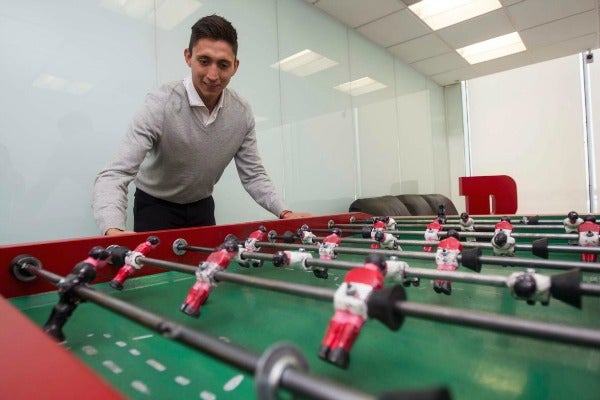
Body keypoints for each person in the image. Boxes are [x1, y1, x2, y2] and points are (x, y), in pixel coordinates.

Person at [93, 15, 309, 236]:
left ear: (235, 66)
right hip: (155, 206)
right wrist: (113, 230)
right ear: (189, 57)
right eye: (204, 61)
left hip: (201, 206)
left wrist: (285, 212)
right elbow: (115, 174)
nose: (213, 75)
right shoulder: (161, 104)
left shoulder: (241, 113)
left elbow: (253, 175)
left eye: (223, 65)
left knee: (208, 269)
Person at [318, 253, 387, 369]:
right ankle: (340, 353)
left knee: (337, 322)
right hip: (359, 302)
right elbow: (377, 293)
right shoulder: (378, 276)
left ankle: (325, 348)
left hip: (342, 298)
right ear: (381, 265)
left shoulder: (353, 271)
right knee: (351, 326)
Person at [433, 229, 462, 295]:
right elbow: (459, 252)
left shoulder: (442, 241)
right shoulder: (459, 243)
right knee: (449, 272)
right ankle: (446, 285)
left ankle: (437, 283)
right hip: (451, 260)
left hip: (440, 259)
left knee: (440, 269)